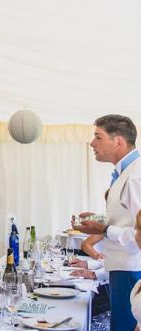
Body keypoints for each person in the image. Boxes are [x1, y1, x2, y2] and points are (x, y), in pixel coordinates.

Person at [73, 115, 141, 331]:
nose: (92, 143)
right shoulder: (125, 174)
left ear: (118, 141)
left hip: (132, 271)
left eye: (98, 137)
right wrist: (99, 220)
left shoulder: (134, 177)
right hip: (122, 270)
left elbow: (140, 233)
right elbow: (129, 221)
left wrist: (103, 228)